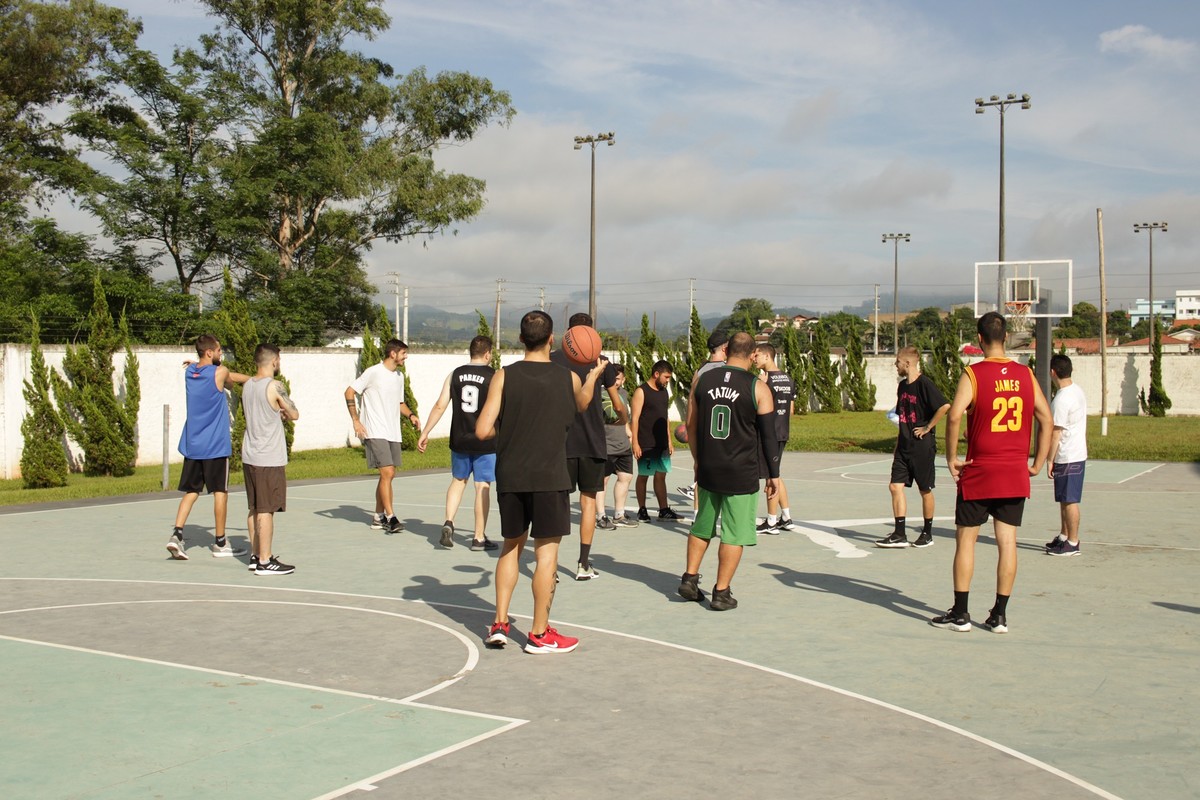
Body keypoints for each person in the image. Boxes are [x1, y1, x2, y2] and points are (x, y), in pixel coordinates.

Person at [476, 310, 603, 654]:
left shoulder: (503, 377)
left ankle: (500, 623)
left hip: (511, 475)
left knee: (511, 548)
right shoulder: (568, 380)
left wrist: (512, 428)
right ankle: (538, 632)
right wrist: (593, 376)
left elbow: (483, 430)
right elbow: (583, 404)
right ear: (552, 340)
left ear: (521, 339)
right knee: (546, 555)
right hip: (550, 476)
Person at [932, 312, 1051, 634]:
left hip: (980, 470)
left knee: (966, 542)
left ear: (979, 339)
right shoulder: (1025, 374)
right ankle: (999, 615)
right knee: (1007, 543)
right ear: (1007, 335)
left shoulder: (973, 374)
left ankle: (960, 613)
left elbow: (954, 415)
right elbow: (1046, 419)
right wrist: (1038, 462)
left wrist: (952, 457)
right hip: (1014, 472)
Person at [678, 332, 780, 610]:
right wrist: (773, 473)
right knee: (734, 534)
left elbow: (690, 425)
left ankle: (689, 577)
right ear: (751, 355)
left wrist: (698, 461)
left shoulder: (702, 379)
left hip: (710, 466)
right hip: (741, 470)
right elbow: (769, 437)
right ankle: (721, 592)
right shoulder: (758, 387)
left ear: (726, 350)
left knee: (703, 526)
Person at [549, 312, 623, 581]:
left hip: (562, 440)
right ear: (592, 333)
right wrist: (623, 417)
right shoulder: (602, 362)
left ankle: (551, 567)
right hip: (592, 439)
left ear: (568, 333)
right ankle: (582, 564)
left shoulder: (553, 359)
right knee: (589, 501)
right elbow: (615, 405)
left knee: (557, 502)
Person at [166, 335, 250, 561]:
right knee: (220, 493)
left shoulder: (189, 373)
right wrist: (257, 378)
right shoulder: (219, 372)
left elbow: (201, 368)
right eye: (219, 350)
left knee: (191, 492)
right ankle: (220, 543)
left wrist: (196, 363)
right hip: (215, 446)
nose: (221, 354)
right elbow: (231, 381)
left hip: (193, 445)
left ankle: (177, 535)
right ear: (210, 352)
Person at [417, 335, 499, 551]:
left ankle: (449, 522)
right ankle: (478, 537)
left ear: (470, 352)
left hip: (460, 439)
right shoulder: (494, 376)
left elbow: (440, 405)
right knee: (482, 486)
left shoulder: (455, 374)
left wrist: (425, 431)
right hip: (486, 440)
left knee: (458, 481)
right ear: (488, 353)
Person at [876, 346, 950, 549]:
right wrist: (898, 443)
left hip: (922, 447)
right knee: (895, 486)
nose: (895, 365)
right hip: (904, 446)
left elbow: (944, 406)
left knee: (924, 490)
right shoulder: (902, 387)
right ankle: (899, 533)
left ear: (907, 363)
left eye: (898, 361)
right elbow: (903, 417)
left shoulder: (924, 384)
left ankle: (927, 533)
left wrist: (928, 427)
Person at [345, 339, 421, 534]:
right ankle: (391, 517)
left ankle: (378, 517)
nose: (406, 357)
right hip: (374, 431)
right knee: (387, 473)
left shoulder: (398, 376)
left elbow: (399, 403)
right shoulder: (373, 372)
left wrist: (411, 415)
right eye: (403, 353)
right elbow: (349, 392)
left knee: (389, 475)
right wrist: (355, 420)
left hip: (392, 431)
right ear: (393, 354)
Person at [242, 344, 301, 575]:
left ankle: (256, 555)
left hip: (250, 453)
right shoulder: (275, 385)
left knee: (255, 507)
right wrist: (285, 410)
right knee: (266, 509)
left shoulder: (247, 385)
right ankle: (265, 561)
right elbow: (294, 413)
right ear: (274, 361)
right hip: (268, 457)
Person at [679, 331, 730, 502]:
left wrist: (694, 451)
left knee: (699, 471)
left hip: (704, 432)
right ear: (725, 347)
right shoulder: (728, 370)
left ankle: (697, 517)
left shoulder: (700, 371)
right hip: (726, 433)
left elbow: (691, 410)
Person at [751, 343, 796, 534]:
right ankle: (786, 517)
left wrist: (760, 383)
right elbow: (791, 410)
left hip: (768, 433)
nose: (754, 359)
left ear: (768, 357)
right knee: (775, 474)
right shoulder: (788, 378)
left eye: (757, 355)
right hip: (783, 431)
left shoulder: (765, 381)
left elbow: (758, 407)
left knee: (770, 477)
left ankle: (771, 522)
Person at [1046, 354, 1087, 557]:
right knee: (1064, 499)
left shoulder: (1062, 399)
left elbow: (1056, 433)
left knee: (1070, 500)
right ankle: (1064, 536)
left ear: (1053, 372)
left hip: (1068, 455)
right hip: (1076, 453)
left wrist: (1049, 459)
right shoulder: (1076, 390)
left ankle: (1073, 542)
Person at [632, 359, 682, 523]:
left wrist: (669, 440)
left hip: (662, 444)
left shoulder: (664, 392)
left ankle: (664, 510)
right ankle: (642, 509)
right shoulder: (641, 391)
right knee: (644, 475)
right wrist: (635, 443)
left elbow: (665, 417)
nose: (668, 381)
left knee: (661, 476)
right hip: (646, 443)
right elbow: (635, 419)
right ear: (656, 374)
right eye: (666, 377)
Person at [599, 364, 637, 528]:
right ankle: (601, 516)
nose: (616, 382)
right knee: (602, 481)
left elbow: (625, 417)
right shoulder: (599, 394)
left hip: (622, 445)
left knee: (625, 477)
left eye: (618, 379)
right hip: (605, 445)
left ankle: (619, 514)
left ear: (623, 379)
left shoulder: (624, 394)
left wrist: (628, 430)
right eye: (613, 379)